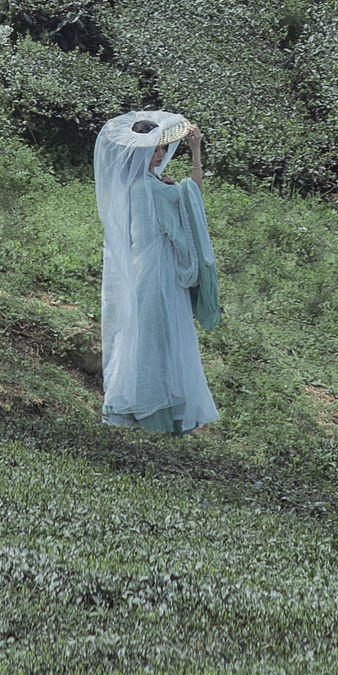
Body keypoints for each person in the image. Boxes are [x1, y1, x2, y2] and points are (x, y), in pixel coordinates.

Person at [93, 105, 221, 435]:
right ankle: (150, 410)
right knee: (155, 336)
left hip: (149, 268)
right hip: (156, 271)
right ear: (142, 150)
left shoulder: (141, 184)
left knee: (151, 335)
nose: (162, 151)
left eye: (163, 146)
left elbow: (185, 200)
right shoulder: (147, 187)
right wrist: (195, 152)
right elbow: (193, 199)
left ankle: (153, 407)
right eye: (156, 146)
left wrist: (169, 184)